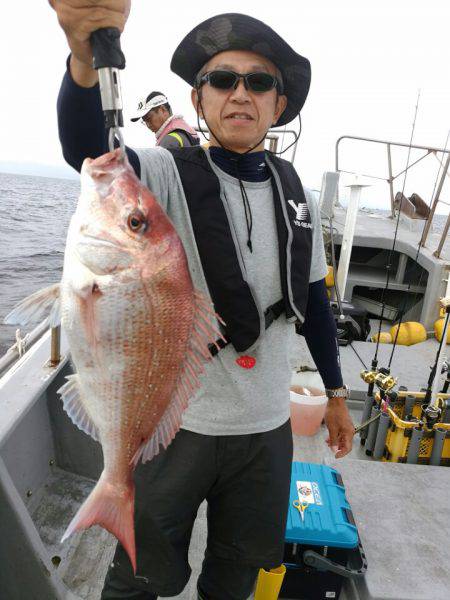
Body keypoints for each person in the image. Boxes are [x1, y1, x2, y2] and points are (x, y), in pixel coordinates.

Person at [51, 3, 355, 599]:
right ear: (199, 99)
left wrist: (337, 394)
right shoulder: (163, 171)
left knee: (237, 574)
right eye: (222, 79)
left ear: (279, 104)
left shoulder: (298, 193)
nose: (240, 94)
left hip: (267, 427)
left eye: (259, 82)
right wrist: (84, 57)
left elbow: (315, 303)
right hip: (178, 424)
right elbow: (86, 148)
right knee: (139, 579)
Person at [130, 90, 200, 148]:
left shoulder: (169, 141)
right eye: (144, 121)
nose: (148, 125)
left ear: (163, 110)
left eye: (149, 118)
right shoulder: (185, 130)